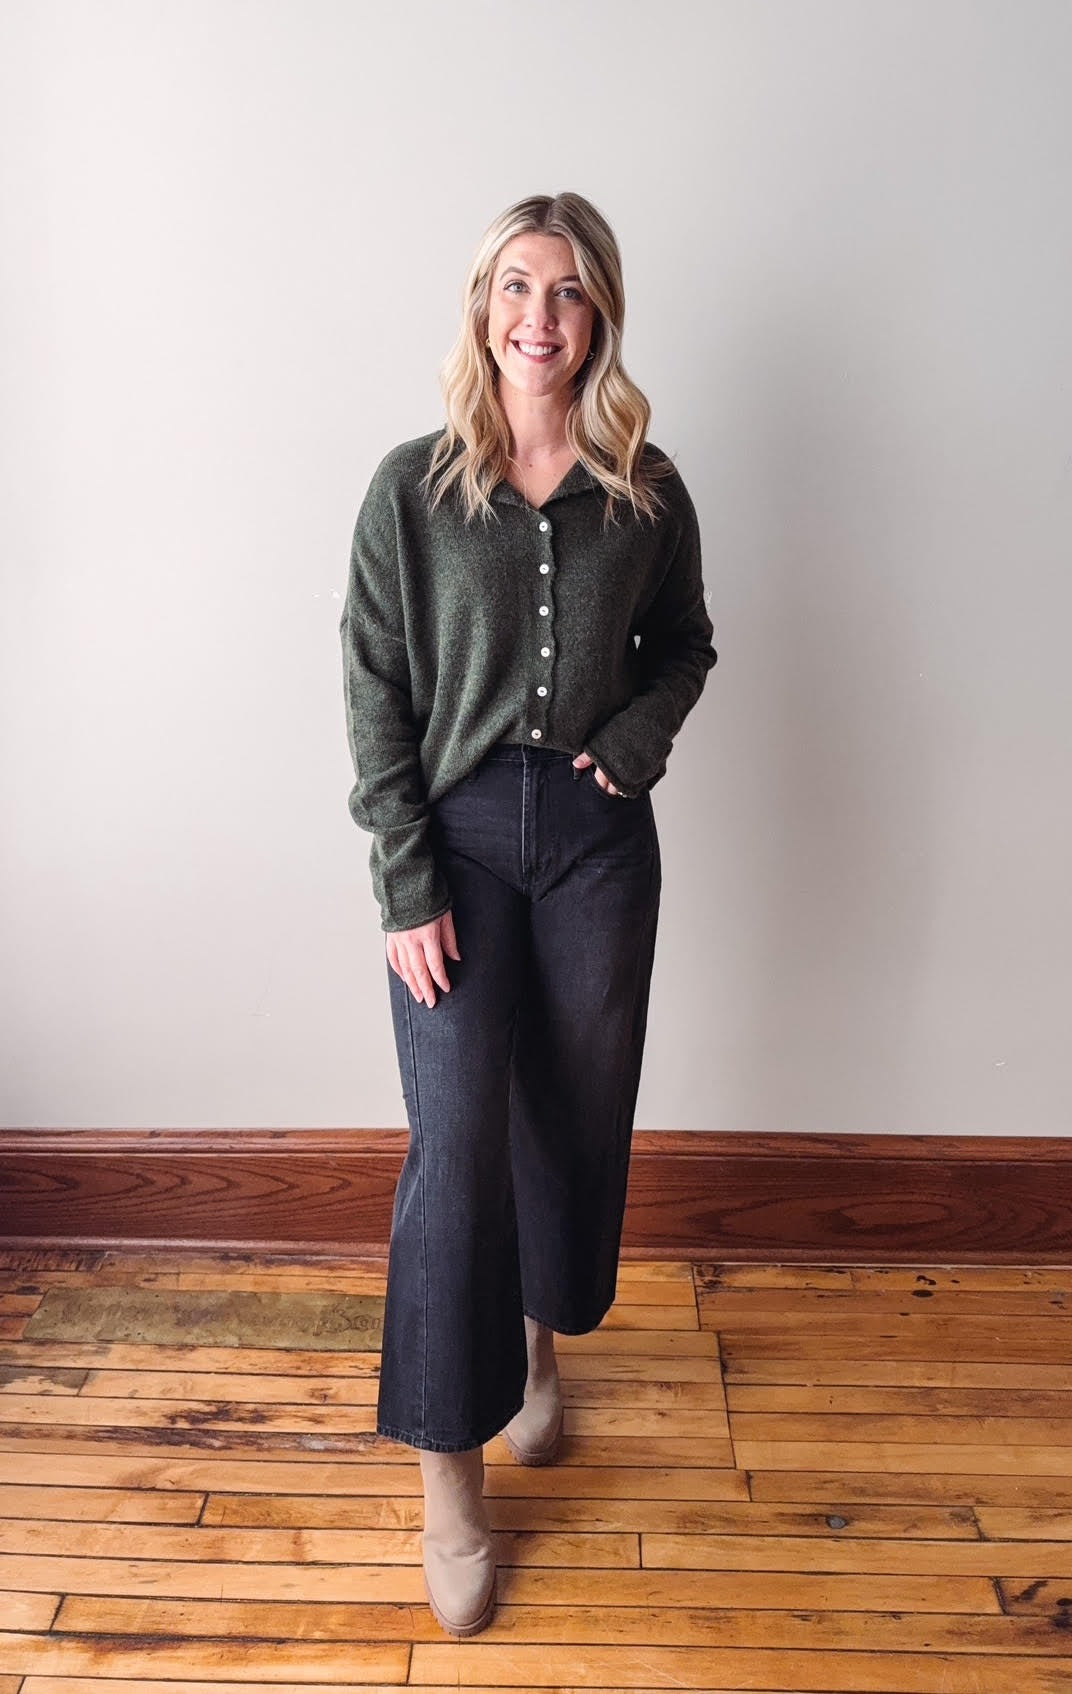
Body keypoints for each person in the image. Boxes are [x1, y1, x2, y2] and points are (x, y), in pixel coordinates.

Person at [338, 190, 717, 1638]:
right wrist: (404, 877)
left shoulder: (646, 486)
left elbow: (685, 645)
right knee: (453, 1144)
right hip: (462, 842)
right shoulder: (410, 490)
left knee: (570, 1109)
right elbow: (372, 686)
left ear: (598, 313)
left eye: (564, 291)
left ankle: (536, 1340)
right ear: (481, 304)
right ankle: (451, 1472)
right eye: (515, 286)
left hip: (602, 845)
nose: (537, 317)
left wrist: (630, 746)